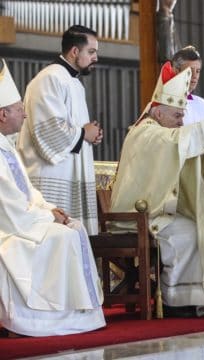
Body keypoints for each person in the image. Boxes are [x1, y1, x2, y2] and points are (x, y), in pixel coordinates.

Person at [110, 63, 204, 317]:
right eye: (177, 115)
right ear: (159, 113)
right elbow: (176, 142)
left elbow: (193, 150)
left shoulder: (163, 131)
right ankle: (176, 300)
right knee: (191, 231)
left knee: (203, 225)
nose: (182, 120)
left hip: (156, 209)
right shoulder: (145, 133)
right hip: (137, 216)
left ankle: (194, 298)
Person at [0, 59, 105, 337]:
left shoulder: (6, 148)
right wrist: (47, 216)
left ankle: (73, 314)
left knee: (74, 227)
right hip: (9, 229)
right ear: (2, 114)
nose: (25, 116)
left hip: (23, 218)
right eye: (20, 109)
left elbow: (27, 191)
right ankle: (43, 320)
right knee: (64, 236)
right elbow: (10, 206)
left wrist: (50, 207)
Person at [17, 25, 103, 235]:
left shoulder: (73, 83)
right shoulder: (50, 78)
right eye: (91, 52)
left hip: (69, 173)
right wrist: (83, 134)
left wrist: (89, 135)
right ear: (75, 52)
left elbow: (72, 128)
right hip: (49, 176)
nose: (96, 58)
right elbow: (47, 130)